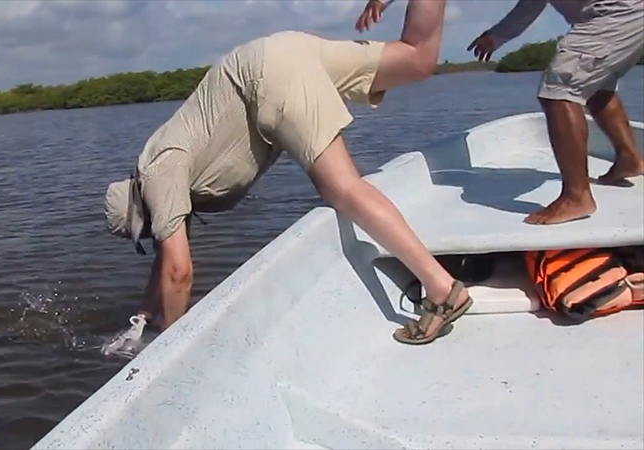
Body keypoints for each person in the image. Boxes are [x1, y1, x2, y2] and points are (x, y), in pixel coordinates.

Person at [102, 0, 472, 352]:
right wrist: (144, 316)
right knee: (416, 57)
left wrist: (164, 348)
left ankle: (442, 289)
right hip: (283, 52)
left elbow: (178, 271)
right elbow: (164, 263)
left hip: (267, 76)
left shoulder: (158, 173)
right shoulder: (158, 171)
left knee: (343, 188)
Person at [468, 0, 644, 226]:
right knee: (597, 88)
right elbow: (530, 5)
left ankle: (576, 196)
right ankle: (628, 158)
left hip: (613, 13)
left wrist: (496, 36)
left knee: (559, 90)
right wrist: (497, 35)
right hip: (630, 13)